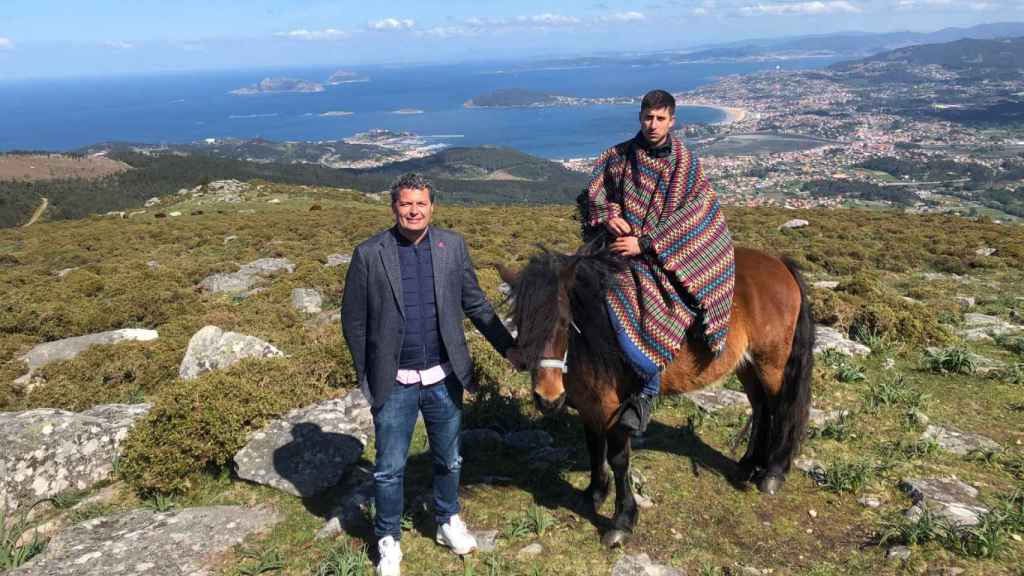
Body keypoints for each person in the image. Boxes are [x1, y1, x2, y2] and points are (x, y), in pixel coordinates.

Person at [341, 173, 520, 576]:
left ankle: (447, 520)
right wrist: (365, 375)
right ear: (394, 208)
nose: (413, 210)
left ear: (432, 206)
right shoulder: (370, 253)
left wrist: (508, 347)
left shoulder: (451, 247)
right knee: (388, 469)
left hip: (444, 378)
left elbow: (476, 304)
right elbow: (353, 321)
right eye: (406, 204)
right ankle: (389, 539)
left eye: (420, 203)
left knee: (450, 459)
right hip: (394, 382)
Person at [583, 89, 736, 435]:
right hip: (620, 253)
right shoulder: (618, 157)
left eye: (660, 118)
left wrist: (647, 242)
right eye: (648, 117)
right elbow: (595, 195)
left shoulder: (685, 163)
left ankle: (647, 389)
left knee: (646, 320)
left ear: (672, 120)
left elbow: (697, 214)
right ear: (640, 117)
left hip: (668, 260)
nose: (653, 125)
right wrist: (609, 215)